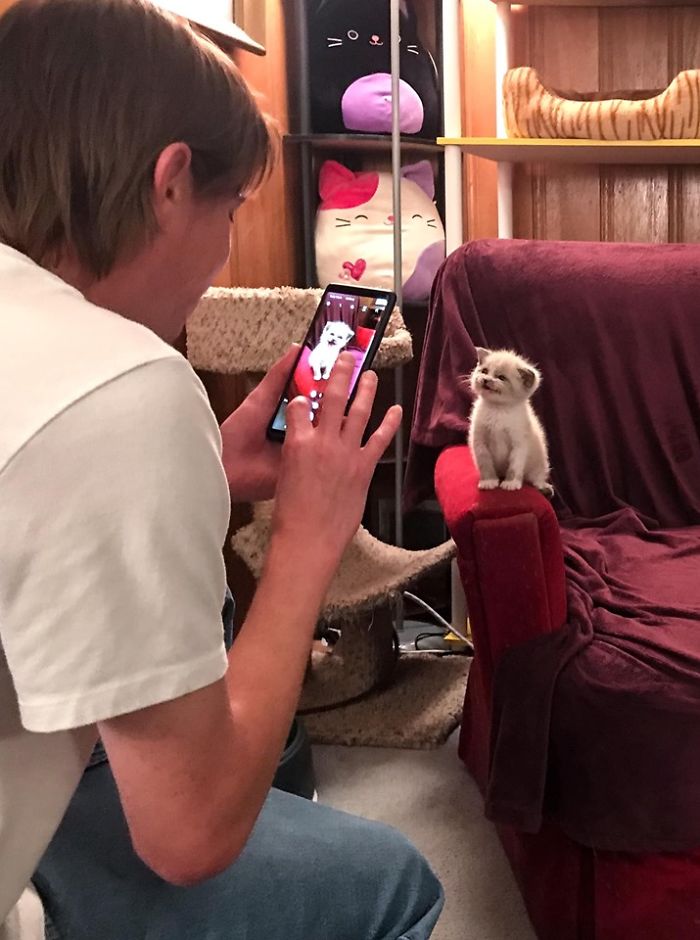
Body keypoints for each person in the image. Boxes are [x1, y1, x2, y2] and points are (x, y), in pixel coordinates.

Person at [0, 1, 444, 938]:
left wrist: (213, 474)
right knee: (395, 882)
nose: (227, 251)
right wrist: (307, 544)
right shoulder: (116, 384)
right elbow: (190, 833)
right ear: (169, 183)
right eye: (233, 207)